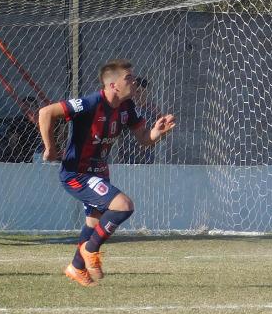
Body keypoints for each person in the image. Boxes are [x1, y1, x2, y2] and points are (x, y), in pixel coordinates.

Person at [38, 58, 176, 287]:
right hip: (77, 174)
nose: (134, 83)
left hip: (99, 172)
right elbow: (45, 112)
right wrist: (50, 148)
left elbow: (144, 140)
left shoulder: (127, 107)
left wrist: (156, 132)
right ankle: (90, 249)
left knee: (94, 222)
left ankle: (76, 267)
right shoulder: (90, 103)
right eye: (129, 78)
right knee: (124, 206)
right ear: (113, 85)